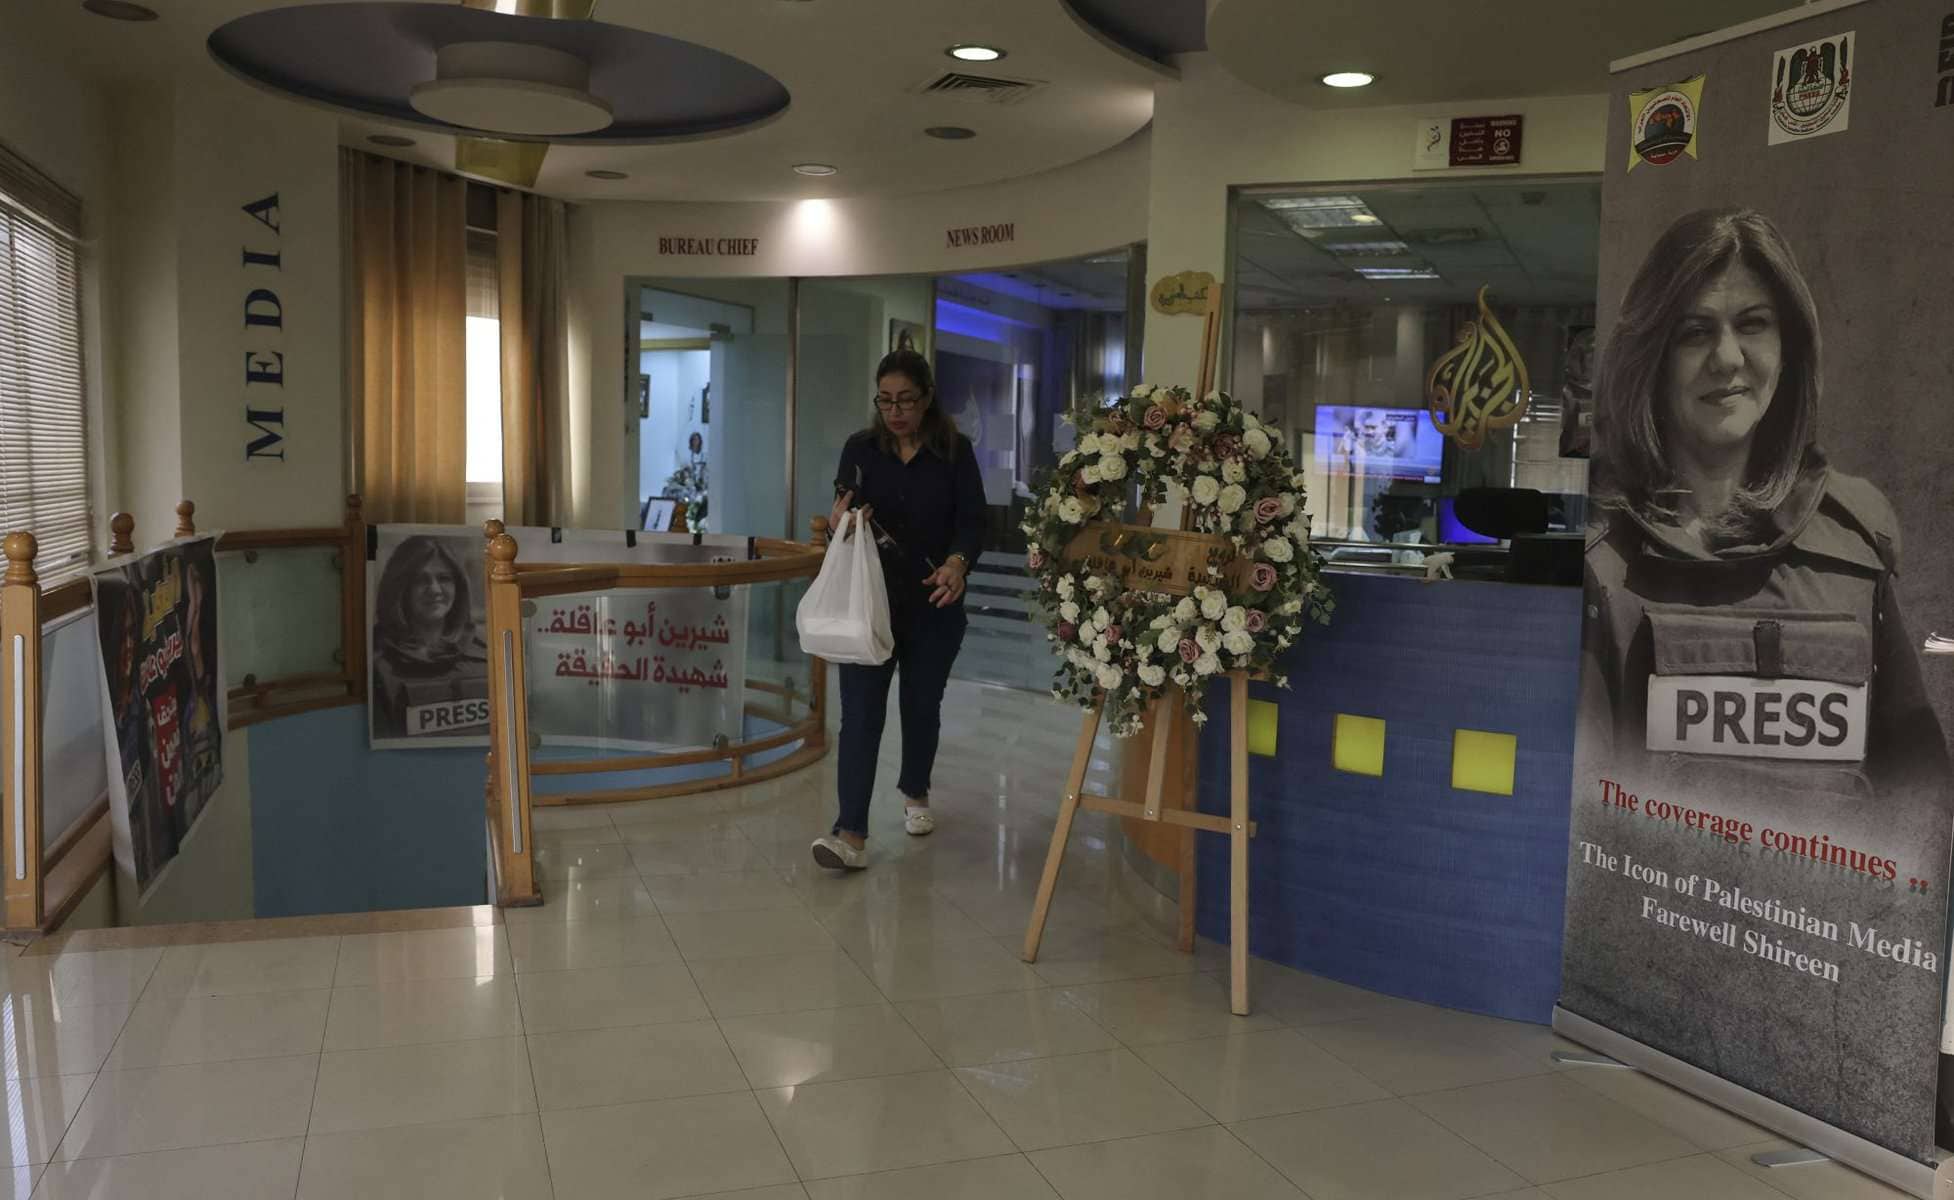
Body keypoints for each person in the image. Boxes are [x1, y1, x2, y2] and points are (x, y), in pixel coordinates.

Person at [1582, 207, 1949, 805]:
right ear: (1652, 355)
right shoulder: (1597, 556)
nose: (1727, 358)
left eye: (1752, 324)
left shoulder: (1857, 540)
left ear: (1788, 348)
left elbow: (1921, 802)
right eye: (1694, 332)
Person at [810, 349, 985, 870]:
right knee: (860, 714)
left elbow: (973, 521)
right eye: (885, 401)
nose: (895, 411)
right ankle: (850, 834)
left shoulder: (954, 451)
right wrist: (840, 522)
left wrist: (957, 563)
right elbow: (842, 518)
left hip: (934, 601)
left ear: (927, 397)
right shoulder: (860, 449)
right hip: (868, 604)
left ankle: (915, 790)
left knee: (920, 705)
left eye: (905, 400)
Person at [371, 535, 489, 739]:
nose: (434, 589)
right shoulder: (374, 661)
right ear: (400, 588)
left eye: (444, 578)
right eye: (420, 579)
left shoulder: (488, 651)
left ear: (459, 586)